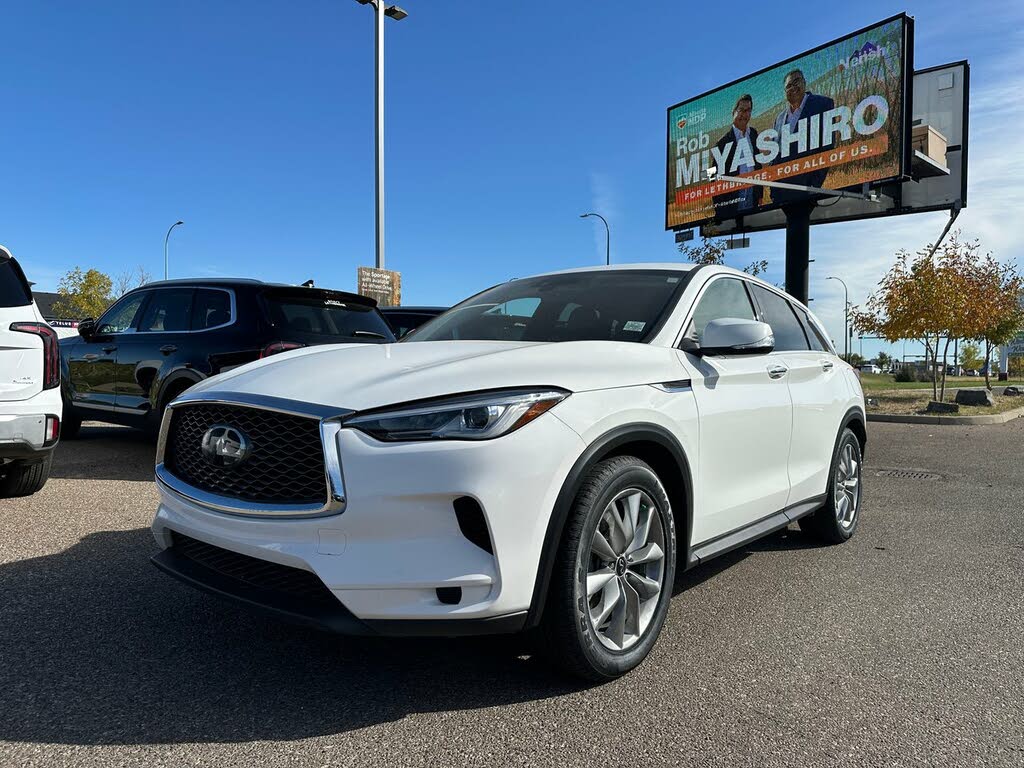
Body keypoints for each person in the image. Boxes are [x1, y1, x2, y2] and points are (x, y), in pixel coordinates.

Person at [771, 69, 835, 204]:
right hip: (781, 194)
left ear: (804, 83)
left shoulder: (823, 104)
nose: (793, 87)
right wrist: (773, 190)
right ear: (785, 92)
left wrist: (814, 186)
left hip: (807, 189)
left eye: (797, 82)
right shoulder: (779, 118)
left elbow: (827, 148)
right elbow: (775, 157)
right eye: (789, 86)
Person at [712, 94, 763, 219]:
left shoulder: (754, 134)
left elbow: (758, 166)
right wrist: (721, 210)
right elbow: (713, 178)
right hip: (732, 206)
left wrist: (760, 194)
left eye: (748, 111)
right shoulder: (722, 143)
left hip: (752, 202)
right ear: (733, 112)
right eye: (741, 110)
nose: (744, 115)